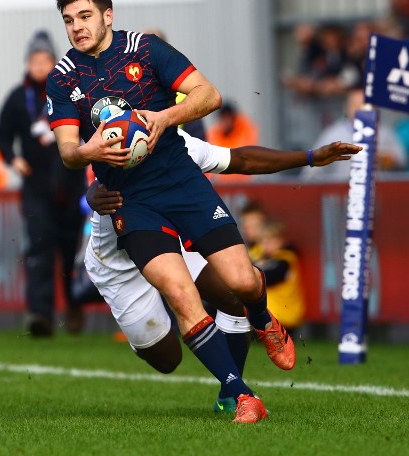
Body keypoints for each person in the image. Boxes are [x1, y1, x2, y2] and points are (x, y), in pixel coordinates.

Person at [47, 0, 293, 423]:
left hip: (181, 182)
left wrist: (164, 117)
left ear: (107, 15)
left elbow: (209, 95)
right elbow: (67, 150)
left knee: (241, 281)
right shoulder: (63, 77)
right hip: (131, 201)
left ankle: (262, 316)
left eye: (84, 16)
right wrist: (90, 151)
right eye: (68, 21)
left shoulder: (146, 49)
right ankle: (241, 396)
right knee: (182, 299)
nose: (77, 27)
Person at [85, 132, 361, 413]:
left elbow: (243, 159)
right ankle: (149, 339)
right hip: (119, 265)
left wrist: (311, 157)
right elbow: (85, 177)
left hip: (168, 240)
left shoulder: (177, 142)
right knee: (168, 360)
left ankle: (233, 393)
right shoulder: (114, 143)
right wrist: (91, 193)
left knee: (231, 293)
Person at [0, 30, 87, 337]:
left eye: (45, 60)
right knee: (39, 247)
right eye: (34, 60)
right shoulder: (18, 97)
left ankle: (74, 308)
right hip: (35, 187)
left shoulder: (71, 91)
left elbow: (90, 126)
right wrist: (12, 158)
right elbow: (3, 135)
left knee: (70, 249)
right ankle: (40, 314)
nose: (39, 66)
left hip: (71, 183)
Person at [301, 88, 407, 180]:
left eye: (364, 105)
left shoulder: (384, 132)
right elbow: (311, 171)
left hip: (377, 195)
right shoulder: (333, 134)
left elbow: (401, 160)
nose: (360, 109)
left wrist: (387, 158)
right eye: (355, 105)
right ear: (347, 108)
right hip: (342, 195)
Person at [255, 220, 306, 332]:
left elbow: (271, 277)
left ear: (281, 241)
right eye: (265, 241)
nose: (268, 244)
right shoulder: (260, 256)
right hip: (273, 315)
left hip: (285, 316)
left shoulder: (286, 259)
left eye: (273, 241)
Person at [205, 101, 259, 183]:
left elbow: (247, 153)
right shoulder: (214, 133)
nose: (225, 122)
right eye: (223, 118)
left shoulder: (245, 128)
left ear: (233, 118)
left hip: (244, 181)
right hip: (223, 183)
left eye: (227, 118)